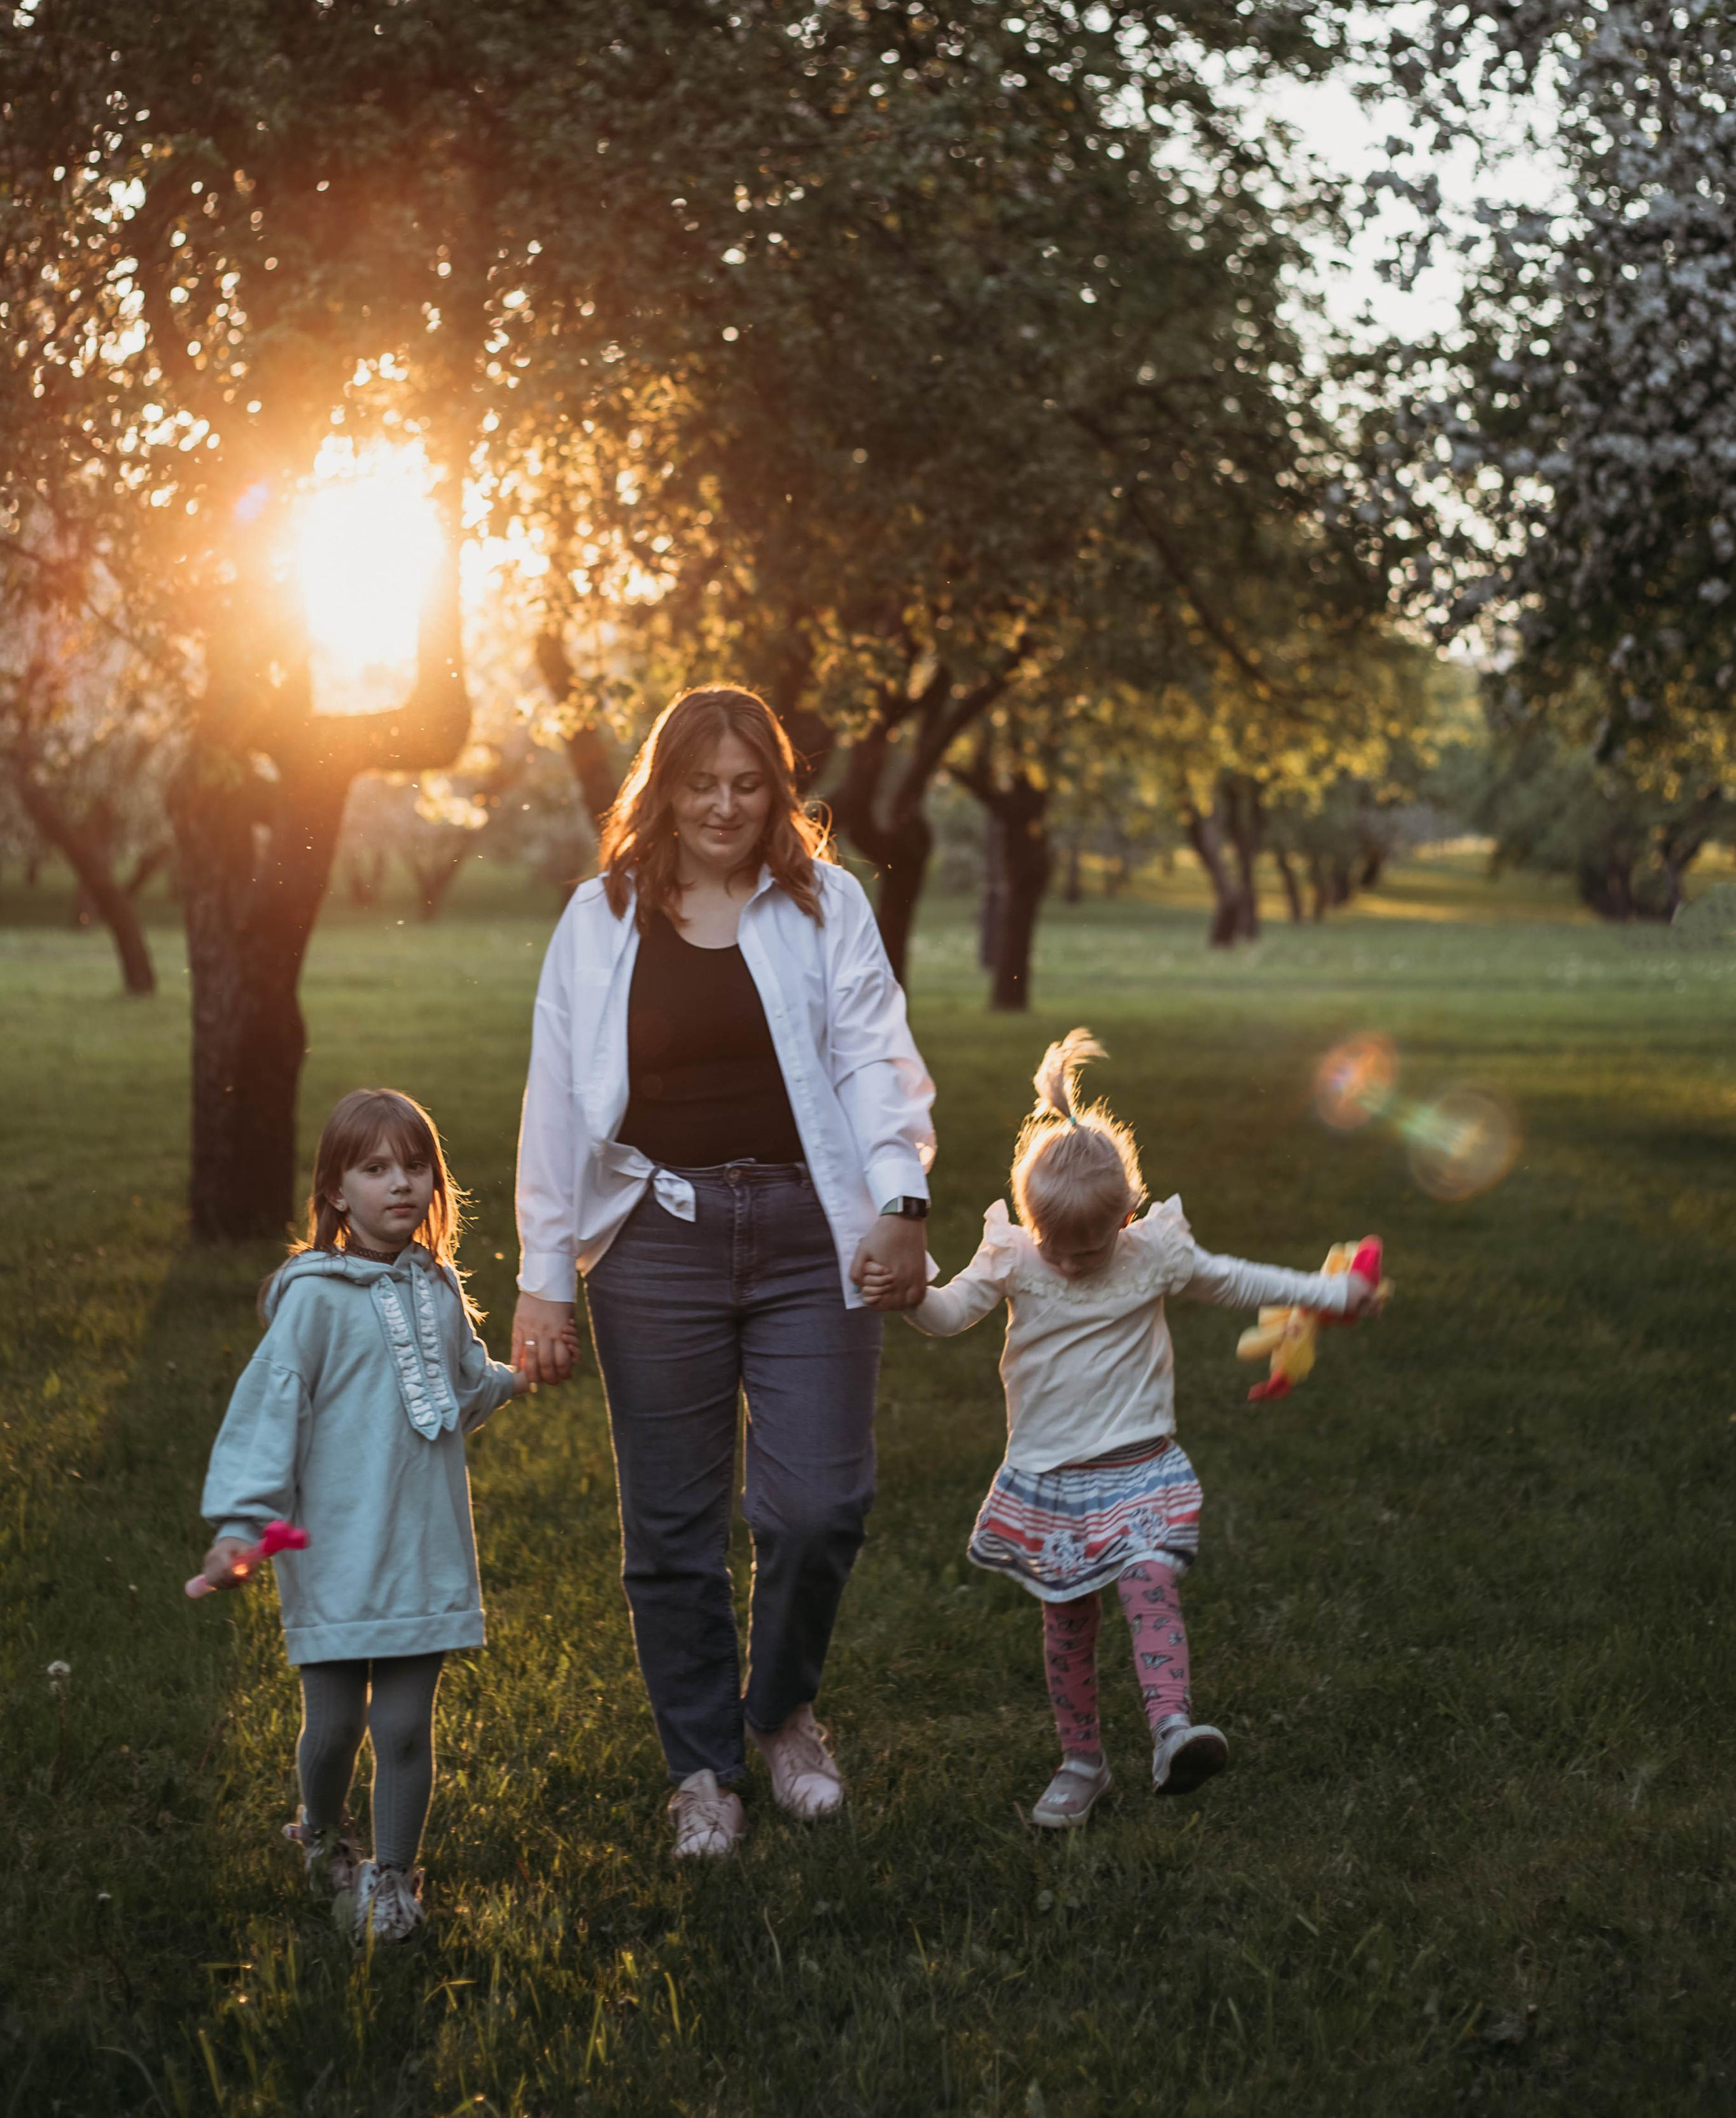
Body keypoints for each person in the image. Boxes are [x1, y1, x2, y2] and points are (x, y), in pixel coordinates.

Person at [513, 685, 935, 1861]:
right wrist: (544, 1273)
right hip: (657, 1241)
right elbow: (554, 1102)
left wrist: (900, 1200)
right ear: (663, 788)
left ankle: (783, 1714)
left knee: (818, 1506)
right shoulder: (598, 920)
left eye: (749, 784)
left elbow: (875, 1056)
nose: (725, 806)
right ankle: (702, 1770)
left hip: (815, 1233)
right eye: (702, 783)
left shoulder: (825, 904)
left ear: (778, 793)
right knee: (673, 1528)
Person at [862, 1029, 1377, 1828]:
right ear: (1030, 1219)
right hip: (1049, 1477)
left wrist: (1334, 1293)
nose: (1067, 1263)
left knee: (1149, 1582)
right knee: (1067, 1623)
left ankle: (1173, 1731)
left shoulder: (1151, 1256)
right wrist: (908, 1295)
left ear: (1128, 1215)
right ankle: (1083, 1762)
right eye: (1053, 1245)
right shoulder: (1012, 1260)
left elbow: (1239, 1279)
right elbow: (950, 1313)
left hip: (1139, 1466)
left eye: (1088, 1246)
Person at [195, 1089, 524, 1940]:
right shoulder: (312, 1299)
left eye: (415, 1167)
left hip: (423, 1546)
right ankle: (322, 1837)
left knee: (405, 1726)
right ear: (337, 1190)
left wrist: (519, 1375)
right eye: (376, 1169)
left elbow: (458, 1391)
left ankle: (390, 1877)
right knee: (336, 1726)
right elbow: (269, 1413)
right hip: (337, 1550)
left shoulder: (441, 1289)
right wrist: (241, 1525)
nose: (400, 1185)